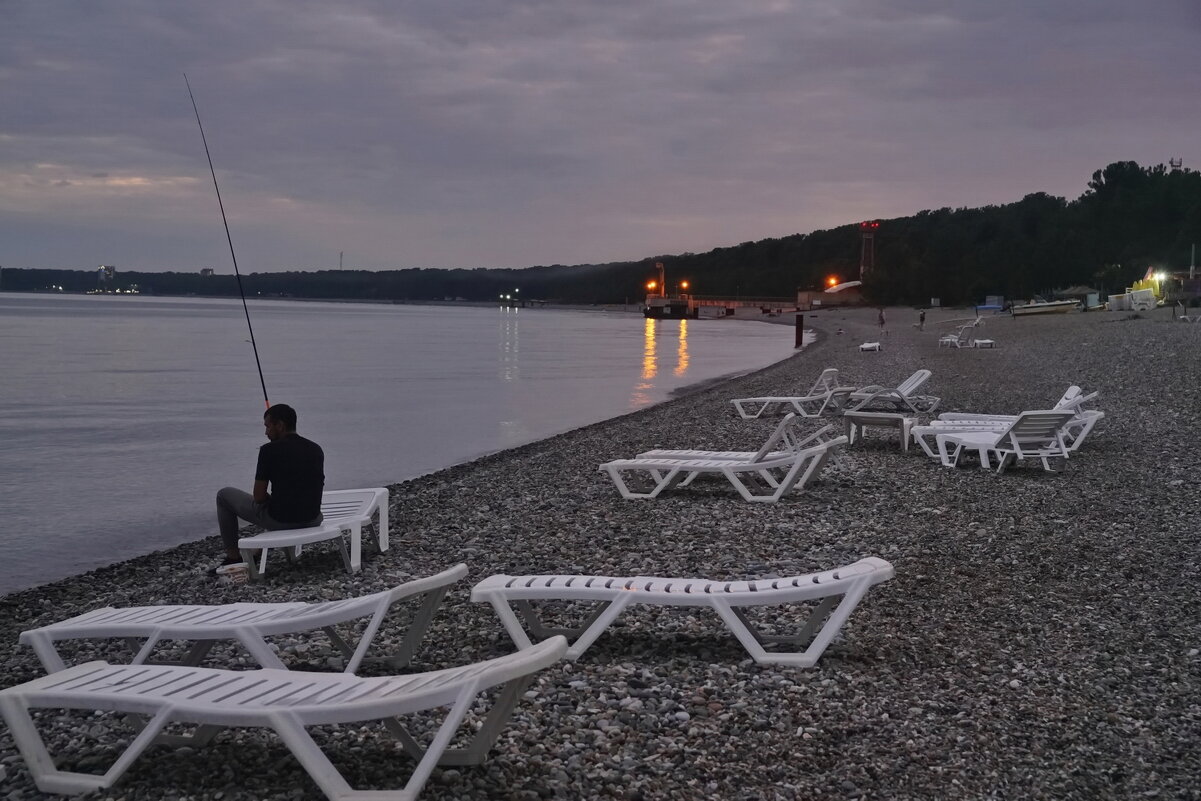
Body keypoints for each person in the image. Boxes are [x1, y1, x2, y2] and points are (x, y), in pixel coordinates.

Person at [213, 403, 324, 573]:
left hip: (282, 521)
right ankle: (257, 553)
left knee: (223, 495)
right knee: (282, 502)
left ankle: (233, 558)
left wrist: (270, 500)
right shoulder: (316, 449)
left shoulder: (268, 451)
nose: (266, 433)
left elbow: (258, 497)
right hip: (313, 518)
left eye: (268, 427)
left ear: (280, 425)